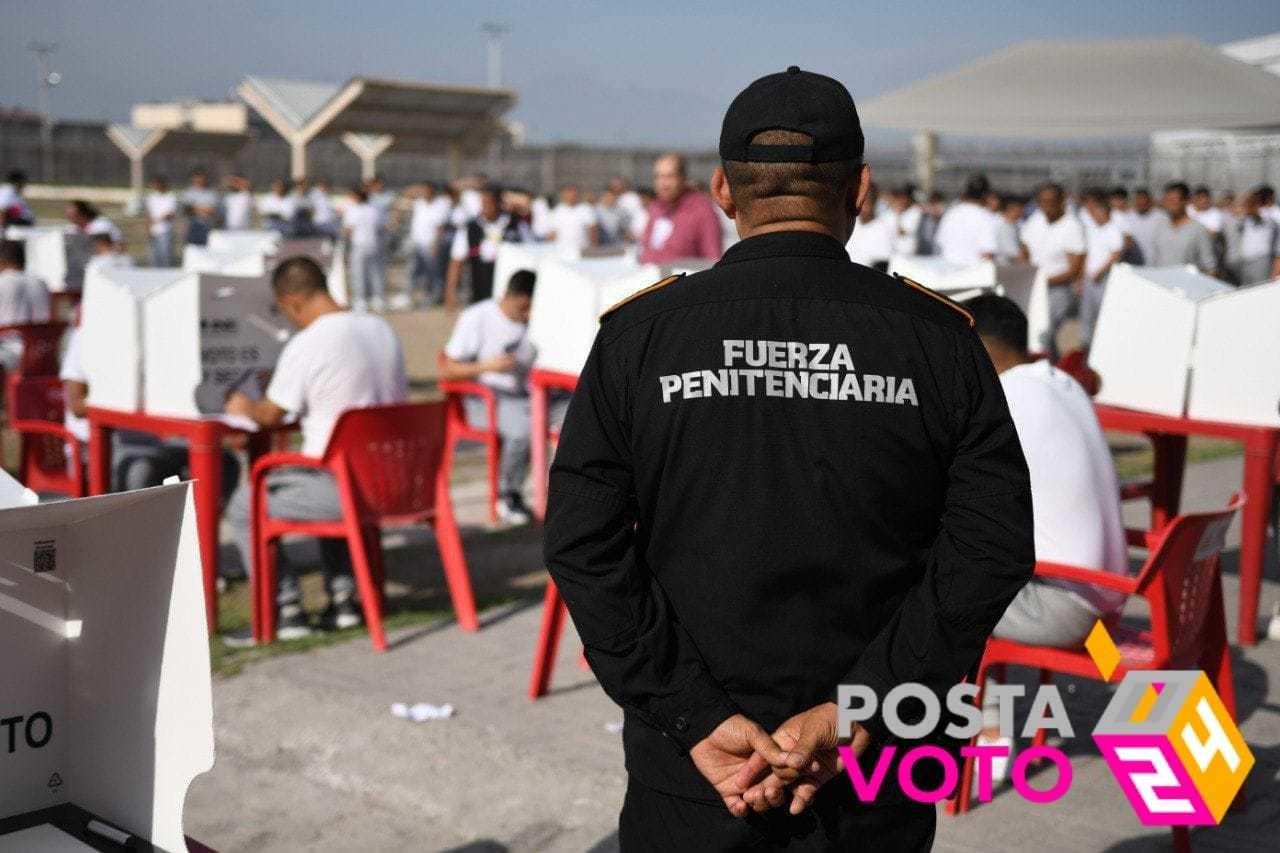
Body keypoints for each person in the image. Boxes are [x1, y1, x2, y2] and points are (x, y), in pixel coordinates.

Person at [544, 66, 1033, 849]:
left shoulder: (641, 337)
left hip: (699, 769)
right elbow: (991, 546)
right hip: (874, 762)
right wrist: (865, 706)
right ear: (860, 189)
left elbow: (580, 542)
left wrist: (692, 713)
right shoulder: (938, 341)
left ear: (723, 191)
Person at [963, 293, 1126, 769]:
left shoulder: (1005, 401)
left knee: (937, 591)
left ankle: (989, 736)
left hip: (1069, 612)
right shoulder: (1061, 382)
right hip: (1112, 596)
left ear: (978, 347)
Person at [225, 256, 408, 639]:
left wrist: (242, 405)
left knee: (245, 504)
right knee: (320, 464)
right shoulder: (381, 327)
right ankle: (344, 600)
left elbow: (270, 415)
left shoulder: (309, 342)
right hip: (399, 484)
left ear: (291, 301)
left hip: (346, 490)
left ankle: (285, 608)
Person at [441, 270, 563, 525]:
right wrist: (487, 366)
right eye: (524, 307)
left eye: (532, 308)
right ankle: (508, 495)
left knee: (579, 413)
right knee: (525, 428)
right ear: (510, 296)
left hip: (532, 395)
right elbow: (446, 369)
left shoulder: (539, 318)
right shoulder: (477, 317)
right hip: (483, 397)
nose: (528, 315)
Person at [1020, 182, 1085, 355]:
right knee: (1035, 334)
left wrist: (1044, 280)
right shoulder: (1035, 220)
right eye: (1042, 202)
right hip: (1033, 288)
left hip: (1058, 291)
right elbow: (1024, 250)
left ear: (1062, 201)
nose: (1046, 206)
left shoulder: (1072, 226)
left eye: (1051, 202)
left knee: (1043, 334)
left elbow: (1075, 269)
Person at [445, 185, 525, 309]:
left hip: (509, 288)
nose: (484, 208)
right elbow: (456, 261)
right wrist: (450, 292)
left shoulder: (517, 225)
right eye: (482, 203)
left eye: (489, 203)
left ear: (499, 203)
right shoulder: (470, 228)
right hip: (479, 285)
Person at [637, 154, 723, 264]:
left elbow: (713, 259)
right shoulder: (655, 208)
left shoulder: (702, 211)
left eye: (669, 177)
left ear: (683, 178)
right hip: (652, 277)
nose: (663, 184)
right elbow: (646, 250)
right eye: (658, 177)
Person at [1080, 189, 1125, 347]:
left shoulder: (1113, 229)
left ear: (1104, 212)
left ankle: (1104, 347)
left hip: (1104, 279)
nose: (1093, 215)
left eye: (1096, 212)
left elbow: (1116, 253)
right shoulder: (1093, 229)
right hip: (1089, 279)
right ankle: (1086, 348)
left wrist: (1100, 272)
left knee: (1102, 315)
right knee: (1087, 316)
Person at [1149, 182, 1217, 274]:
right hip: (1160, 285)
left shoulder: (1198, 229)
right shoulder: (1159, 227)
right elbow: (1154, 260)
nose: (1169, 205)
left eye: (1173, 200)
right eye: (1167, 200)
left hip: (1187, 285)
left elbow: (1210, 267)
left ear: (1185, 201)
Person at [935, 174, 999, 265]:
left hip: (947, 271)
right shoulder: (985, 217)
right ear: (986, 195)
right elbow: (988, 253)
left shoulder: (951, 213)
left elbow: (939, 242)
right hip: (971, 273)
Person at [407, 183, 452, 306]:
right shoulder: (419, 203)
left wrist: (436, 244)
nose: (424, 193)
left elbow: (440, 227)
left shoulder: (441, 204)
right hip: (417, 243)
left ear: (432, 191)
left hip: (431, 244)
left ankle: (436, 296)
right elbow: (407, 193)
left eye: (426, 191)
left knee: (433, 272)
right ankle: (414, 296)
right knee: (415, 271)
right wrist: (417, 190)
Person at [342, 187, 385, 312]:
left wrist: (344, 242)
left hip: (359, 244)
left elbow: (349, 230)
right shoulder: (373, 210)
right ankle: (378, 299)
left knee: (359, 273)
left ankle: (360, 301)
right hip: (374, 243)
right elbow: (381, 227)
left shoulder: (353, 210)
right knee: (375, 272)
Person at [1226, 189, 1280, 286]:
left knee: (1259, 291)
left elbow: (1259, 216)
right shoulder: (1247, 218)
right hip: (1245, 263)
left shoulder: (1269, 215)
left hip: (1260, 262)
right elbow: (1234, 214)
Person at [844, 182, 894, 270]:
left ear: (874, 203)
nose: (862, 208)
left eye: (866, 204)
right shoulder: (848, 224)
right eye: (860, 203)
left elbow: (884, 261)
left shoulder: (883, 228)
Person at [548, 184, 598, 255]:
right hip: (562, 252)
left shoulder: (586, 209)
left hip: (583, 252)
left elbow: (593, 231)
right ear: (563, 195)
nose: (571, 195)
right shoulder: (556, 212)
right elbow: (552, 234)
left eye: (574, 193)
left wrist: (594, 249)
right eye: (569, 193)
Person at [145, 176, 178, 267]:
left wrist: (158, 219)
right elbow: (148, 214)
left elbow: (171, 214)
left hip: (165, 232)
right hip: (153, 231)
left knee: (165, 257)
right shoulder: (151, 197)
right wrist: (148, 229)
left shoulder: (171, 197)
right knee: (153, 258)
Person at [182, 168, 220, 247]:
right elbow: (187, 210)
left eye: (201, 178)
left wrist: (195, 207)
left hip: (207, 226)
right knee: (192, 249)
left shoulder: (211, 193)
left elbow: (212, 211)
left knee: (206, 249)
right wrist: (204, 209)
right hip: (192, 227)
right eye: (197, 178)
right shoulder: (188, 193)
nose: (199, 180)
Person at [1126, 187, 1164, 265]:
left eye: (1144, 200)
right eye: (1138, 200)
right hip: (1134, 265)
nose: (1141, 203)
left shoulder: (1161, 217)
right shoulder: (1127, 218)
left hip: (1156, 264)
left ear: (1150, 201)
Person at [994, 195, 1026, 264]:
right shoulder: (1003, 226)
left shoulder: (1015, 225)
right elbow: (1013, 253)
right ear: (1010, 209)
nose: (1021, 212)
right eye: (1019, 209)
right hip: (1004, 267)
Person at [915, 191, 945, 255]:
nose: (934, 207)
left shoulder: (946, 218)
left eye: (937, 203)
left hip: (938, 249)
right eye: (932, 203)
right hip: (924, 248)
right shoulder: (924, 217)